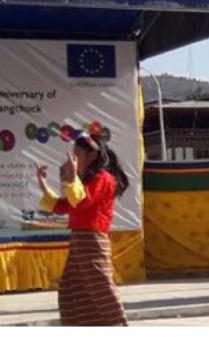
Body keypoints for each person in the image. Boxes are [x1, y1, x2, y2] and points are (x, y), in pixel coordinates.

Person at [36, 134, 131, 326]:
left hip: (93, 242)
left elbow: (81, 202)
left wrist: (71, 178)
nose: (74, 159)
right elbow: (63, 206)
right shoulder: (84, 181)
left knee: (101, 288)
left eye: (77, 154)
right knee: (71, 290)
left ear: (92, 155)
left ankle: (119, 325)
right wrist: (43, 183)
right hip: (79, 242)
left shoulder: (104, 178)